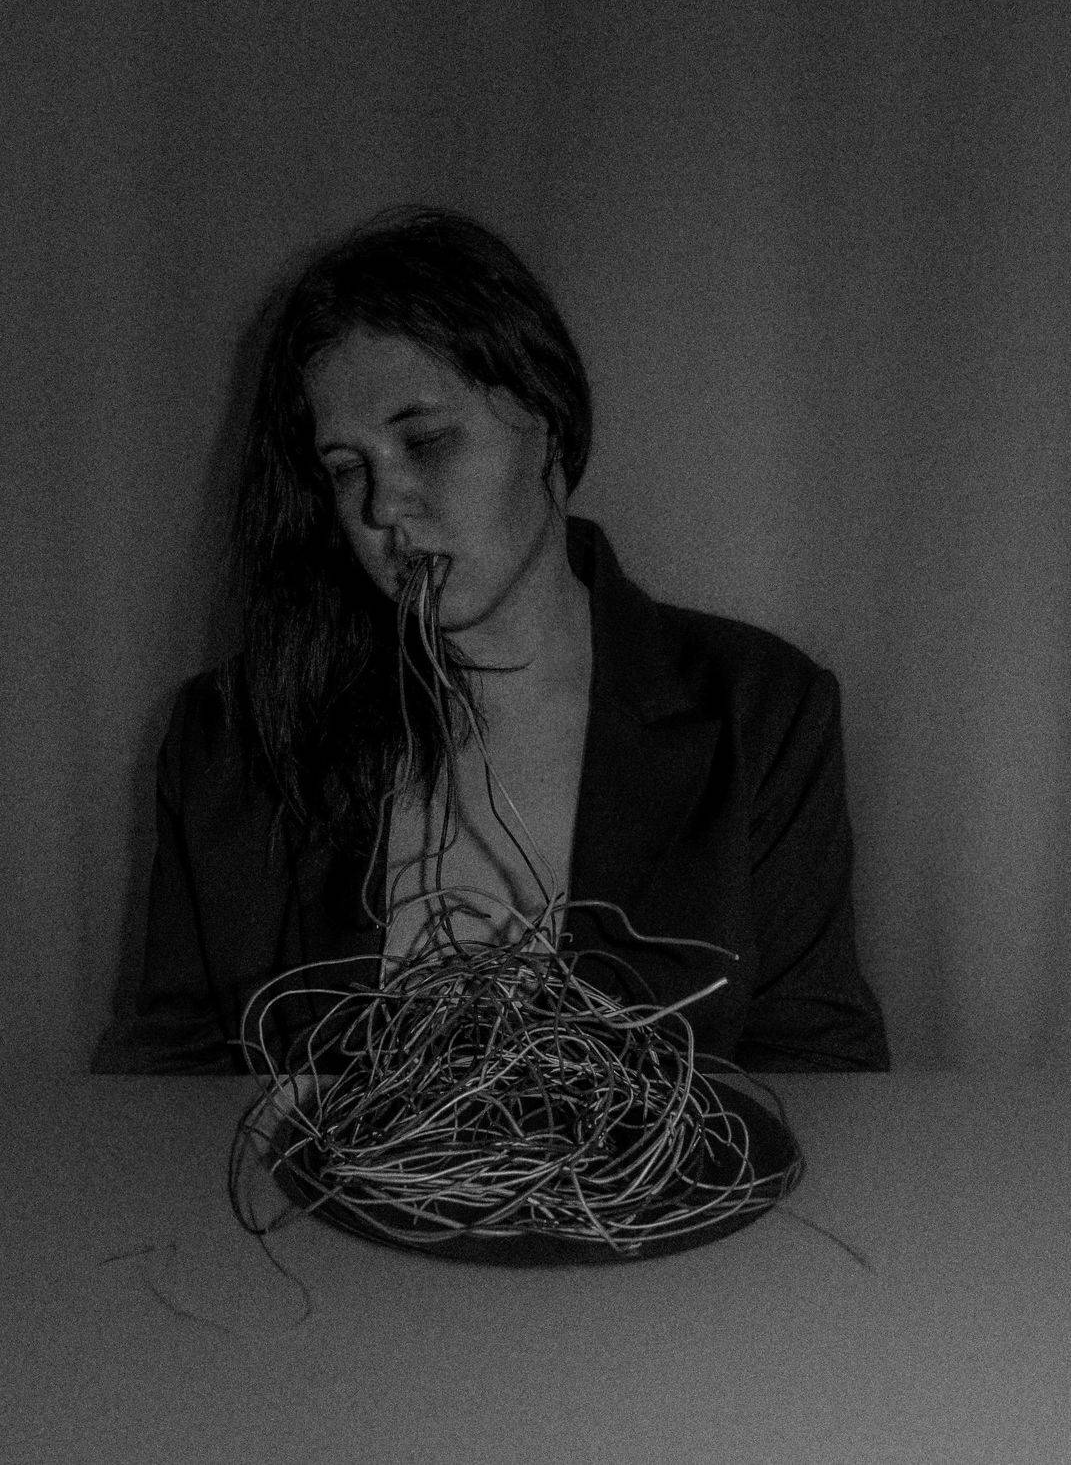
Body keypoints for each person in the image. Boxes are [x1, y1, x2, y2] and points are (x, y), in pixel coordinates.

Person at [93, 206, 890, 1076]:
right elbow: (163, 1088)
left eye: (425, 441)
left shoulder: (758, 710)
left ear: (546, 417)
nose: (383, 507)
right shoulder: (229, 737)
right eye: (346, 468)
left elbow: (817, 1073)